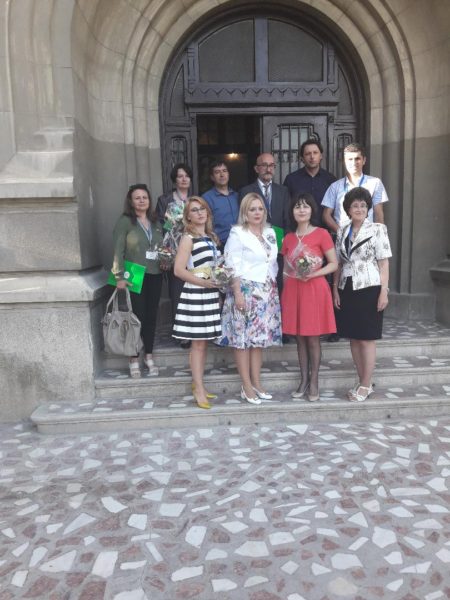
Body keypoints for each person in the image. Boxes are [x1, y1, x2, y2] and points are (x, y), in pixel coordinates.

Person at [219, 192, 282, 404]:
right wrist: (237, 293)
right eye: (252, 209)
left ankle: (256, 382)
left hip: (266, 291)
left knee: (258, 340)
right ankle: (246, 386)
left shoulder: (271, 232)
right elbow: (231, 264)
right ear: (245, 213)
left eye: (260, 209)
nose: (257, 213)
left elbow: (272, 262)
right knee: (242, 340)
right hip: (245, 290)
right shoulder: (237, 233)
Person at [333, 187, 392, 402]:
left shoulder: (377, 229)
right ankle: (361, 381)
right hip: (347, 287)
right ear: (348, 209)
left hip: (369, 287)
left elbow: (383, 263)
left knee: (366, 338)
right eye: (355, 205)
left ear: (368, 209)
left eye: (363, 205)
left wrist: (384, 292)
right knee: (354, 337)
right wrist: (335, 290)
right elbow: (338, 263)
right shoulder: (342, 230)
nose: (359, 209)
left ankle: (366, 384)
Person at [282, 193, 338, 401]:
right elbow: (286, 269)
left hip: (314, 288)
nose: (302, 210)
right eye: (297, 207)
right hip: (294, 289)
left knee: (313, 337)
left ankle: (314, 381)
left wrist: (313, 273)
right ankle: (303, 379)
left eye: (305, 206)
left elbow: (333, 264)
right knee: (299, 338)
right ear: (292, 212)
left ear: (312, 210)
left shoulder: (322, 234)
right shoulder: (288, 238)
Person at [173, 197, 222, 409]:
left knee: (203, 343)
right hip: (196, 292)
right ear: (188, 216)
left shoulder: (211, 237)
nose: (200, 212)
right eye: (194, 210)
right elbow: (178, 270)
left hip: (209, 292)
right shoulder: (188, 238)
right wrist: (203, 282)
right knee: (198, 344)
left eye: (202, 208)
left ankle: (198, 384)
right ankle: (198, 388)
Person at [112, 184, 163, 378]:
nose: (142, 201)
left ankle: (149, 355)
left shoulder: (156, 222)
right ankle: (133, 358)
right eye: (137, 198)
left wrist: (166, 260)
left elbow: (164, 246)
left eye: (145, 197)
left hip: (155, 273)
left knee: (151, 316)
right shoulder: (125, 222)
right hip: (134, 273)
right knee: (135, 317)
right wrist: (118, 276)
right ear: (131, 201)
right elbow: (118, 250)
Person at [239, 153, 290, 294]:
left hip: (279, 247)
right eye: (265, 165)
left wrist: (285, 241)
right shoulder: (246, 191)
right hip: (255, 247)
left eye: (272, 165)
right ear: (256, 168)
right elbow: (243, 219)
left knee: (278, 285)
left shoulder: (283, 190)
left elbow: (288, 219)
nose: (269, 169)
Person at [156, 163, 193, 348]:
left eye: (186, 176)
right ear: (174, 180)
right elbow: (161, 228)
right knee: (177, 293)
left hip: (194, 252)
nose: (184, 179)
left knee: (194, 293)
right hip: (175, 252)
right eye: (180, 176)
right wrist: (165, 255)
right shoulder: (165, 200)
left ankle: (195, 330)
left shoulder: (195, 200)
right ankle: (182, 334)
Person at [322, 142, 389, 233]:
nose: (353, 163)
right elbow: (326, 215)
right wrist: (341, 233)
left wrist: (378, 236)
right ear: (344, 161)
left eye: (357, 159)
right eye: (350, 159)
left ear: (364, 160)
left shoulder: (375, 183)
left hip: (366, 236)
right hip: (342, 237)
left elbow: (378, 215)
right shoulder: (335, 186)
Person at [283, 139, 337, 226]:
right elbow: (286, 208)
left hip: (324, 230)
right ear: (302, 158)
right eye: (308, 154)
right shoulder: (291, 179)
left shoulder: (331, 180)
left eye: (315, 153)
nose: (312, 157)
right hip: (298, 229)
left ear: (321, 156)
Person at [202, 160, 239, 247]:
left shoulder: (237, 196)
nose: (222, 175)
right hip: (220, 245)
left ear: (228, 174)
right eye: (217, 172)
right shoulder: (206, 198)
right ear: (212, 177)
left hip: (240, 242)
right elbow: (205, 224)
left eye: (224, 171)